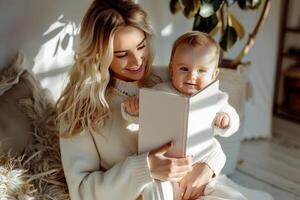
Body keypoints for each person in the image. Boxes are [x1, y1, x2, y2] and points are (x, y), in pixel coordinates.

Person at [57, 0, 248, 199]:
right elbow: (82, 191)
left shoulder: (172, 77)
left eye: (141, 46)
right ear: (99, 55)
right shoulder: (78, 109)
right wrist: (145, 169)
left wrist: (208, 165)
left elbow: (206, 134)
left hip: (195, 188)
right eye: (122, 54)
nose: (137, 61)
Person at [122, 31, 246, 200]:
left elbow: (233, 118)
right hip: (167, 168)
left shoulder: (215, 97)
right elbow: (143, 119)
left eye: (201, 70)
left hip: (202, 166)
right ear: (171, 70)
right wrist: (133, 111)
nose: (191, 76)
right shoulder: (159, 91)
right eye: (184, 69)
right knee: (157, 191)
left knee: (230, 196)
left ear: (214, 75)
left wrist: (226, 119)